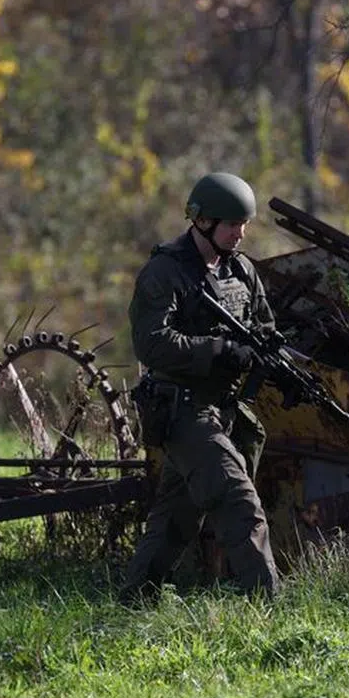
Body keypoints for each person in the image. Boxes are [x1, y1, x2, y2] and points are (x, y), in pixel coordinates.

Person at [120, 172, 280, 603]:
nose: (240, 234)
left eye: (244, 225)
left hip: (223, 408)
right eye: (232, 225)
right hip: (182, 410)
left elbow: (263, 326)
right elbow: (151, 343)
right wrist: (219, 349)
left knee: (176, 516)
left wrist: (262, 353)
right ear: (203, 221)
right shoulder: (165, 271)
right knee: (238, 501)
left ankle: (136, 596)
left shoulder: (241, 271)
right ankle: (270, 606)